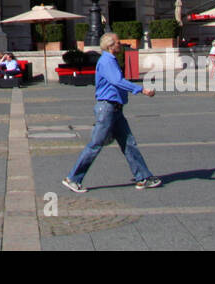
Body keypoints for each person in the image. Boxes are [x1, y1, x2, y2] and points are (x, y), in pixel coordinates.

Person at [63, 31, 160, 193]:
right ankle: (73, 178)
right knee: (95, 144)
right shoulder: (107, 61)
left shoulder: (110, 60)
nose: (120, 44)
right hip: (107, 108)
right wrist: (140, 89)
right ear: (110, 46)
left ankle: (142, 177)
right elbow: (117, 81)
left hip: (114, 109)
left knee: (128, 143)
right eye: (118, 42)